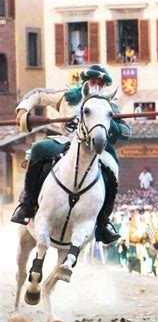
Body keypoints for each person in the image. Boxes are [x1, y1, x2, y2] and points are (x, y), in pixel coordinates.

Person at [12, 64, 132, 244]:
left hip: (96, 149)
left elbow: (126, 132)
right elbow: (37, 94)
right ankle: (27, 204)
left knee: (113, 169)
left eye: (101, 83)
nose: (96, 85)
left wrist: (107, 123)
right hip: (67, 143)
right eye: (93, 81)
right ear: (86, 82)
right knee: (38, 150)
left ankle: (103, 222)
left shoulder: (109, 105)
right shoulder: (67, 97)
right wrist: (23, 110)